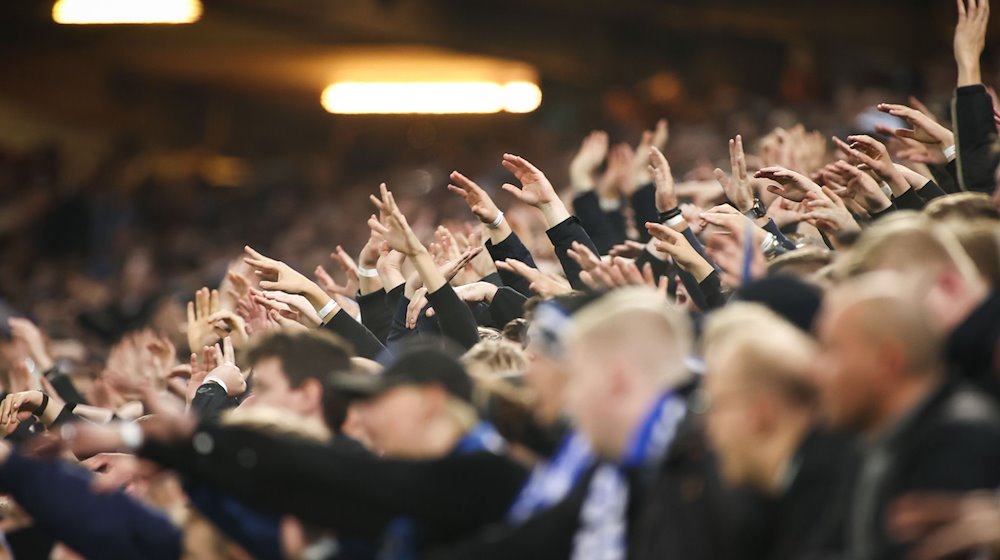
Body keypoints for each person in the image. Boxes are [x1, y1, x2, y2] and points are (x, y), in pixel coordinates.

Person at [813, 273, 1000, 559]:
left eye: (832, 350)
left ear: (889, 362)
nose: (816, 371)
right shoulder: (868, 442)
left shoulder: (960, 439)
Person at [701, 303, 855, 559]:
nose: (707, 428)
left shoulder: (835, 503)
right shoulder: (777, 494)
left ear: (761, 413)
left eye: (714, 406)